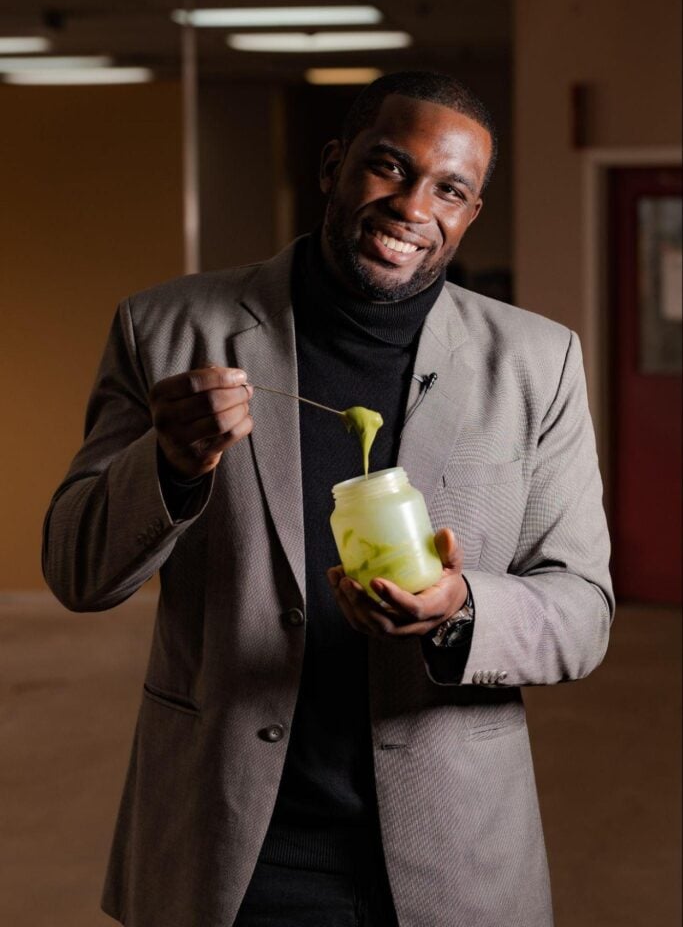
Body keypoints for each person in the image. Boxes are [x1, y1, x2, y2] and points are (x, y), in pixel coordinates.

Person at [42, 71, 613, 927]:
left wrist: (460, 609)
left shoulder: (538, 362)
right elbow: (77, 571)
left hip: (453, 850)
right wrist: (169, 465)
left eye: (448, 190)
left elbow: (582, 610)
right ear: (331, 164)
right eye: (390, 166)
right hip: (227, 844)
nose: (412, 206)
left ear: (469, 213)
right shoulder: (166, 330)